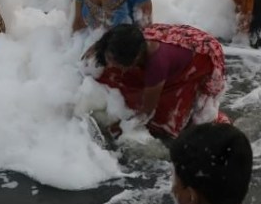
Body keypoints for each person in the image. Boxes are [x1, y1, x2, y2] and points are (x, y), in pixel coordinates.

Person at [87, 24, 229, 138]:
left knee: (165, 121)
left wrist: (120, 127)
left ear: (133, 60)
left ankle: (218, 123)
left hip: (202, 55)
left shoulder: (157, 64)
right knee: (112, 76)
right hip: (179, 39)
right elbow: (106, 44)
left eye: (114, 61)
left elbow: (147, 112)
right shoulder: (127, 39)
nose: (110, 63)